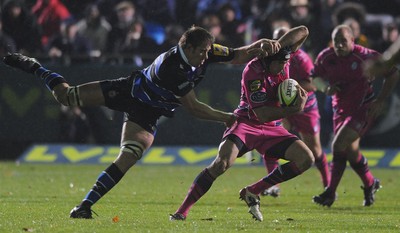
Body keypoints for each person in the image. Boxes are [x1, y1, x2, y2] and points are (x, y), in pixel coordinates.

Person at [3, 26, 277, 219]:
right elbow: (193, 107)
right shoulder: (172, 67)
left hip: (147, 112)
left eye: (208, 51)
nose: (207, 57)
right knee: (68, 97)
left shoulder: (204, 49)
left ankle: (85, 206)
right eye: (203, 52)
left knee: (131, 154)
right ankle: (35, 66)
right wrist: (227, 117)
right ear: (187, 47)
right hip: (128, 91)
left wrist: (259, 46)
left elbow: (238, 54)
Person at [170, 25, 314, 222]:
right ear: (267, 61)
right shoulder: (253, 72)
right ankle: (181, 211)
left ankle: (253, 191)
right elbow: (262, 114)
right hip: (245, 124)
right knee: (221, 164)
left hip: (272, 128)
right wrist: (294, 109)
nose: (283, 67)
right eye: (280, 63)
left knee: (306, 159)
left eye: (285, 62)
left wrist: (277, 45)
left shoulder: (281, 60)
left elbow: (303, 31)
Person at [311, 25, 399, 207]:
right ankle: (370, 184)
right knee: (351, 153)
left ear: (353, 41)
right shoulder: (326, 57)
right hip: (339, 110)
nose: (339, 45)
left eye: (344, 41)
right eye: (336, 42)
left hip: (363, 109)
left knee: (338, 144)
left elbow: (392, 73)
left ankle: (330, 192)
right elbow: (315, 78)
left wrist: (381, 100)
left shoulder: (366, 56)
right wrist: (325, 88)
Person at [262, 26, 330, 197]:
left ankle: (328, 185)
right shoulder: (268, 58)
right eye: (277, 39)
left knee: (314, 149)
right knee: (272, 142)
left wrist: (291, 86)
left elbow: (312, 84)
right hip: (283, 107)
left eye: (283, 40)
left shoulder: (302, 58)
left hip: (305, 107)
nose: (280, 44)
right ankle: (273, 185)